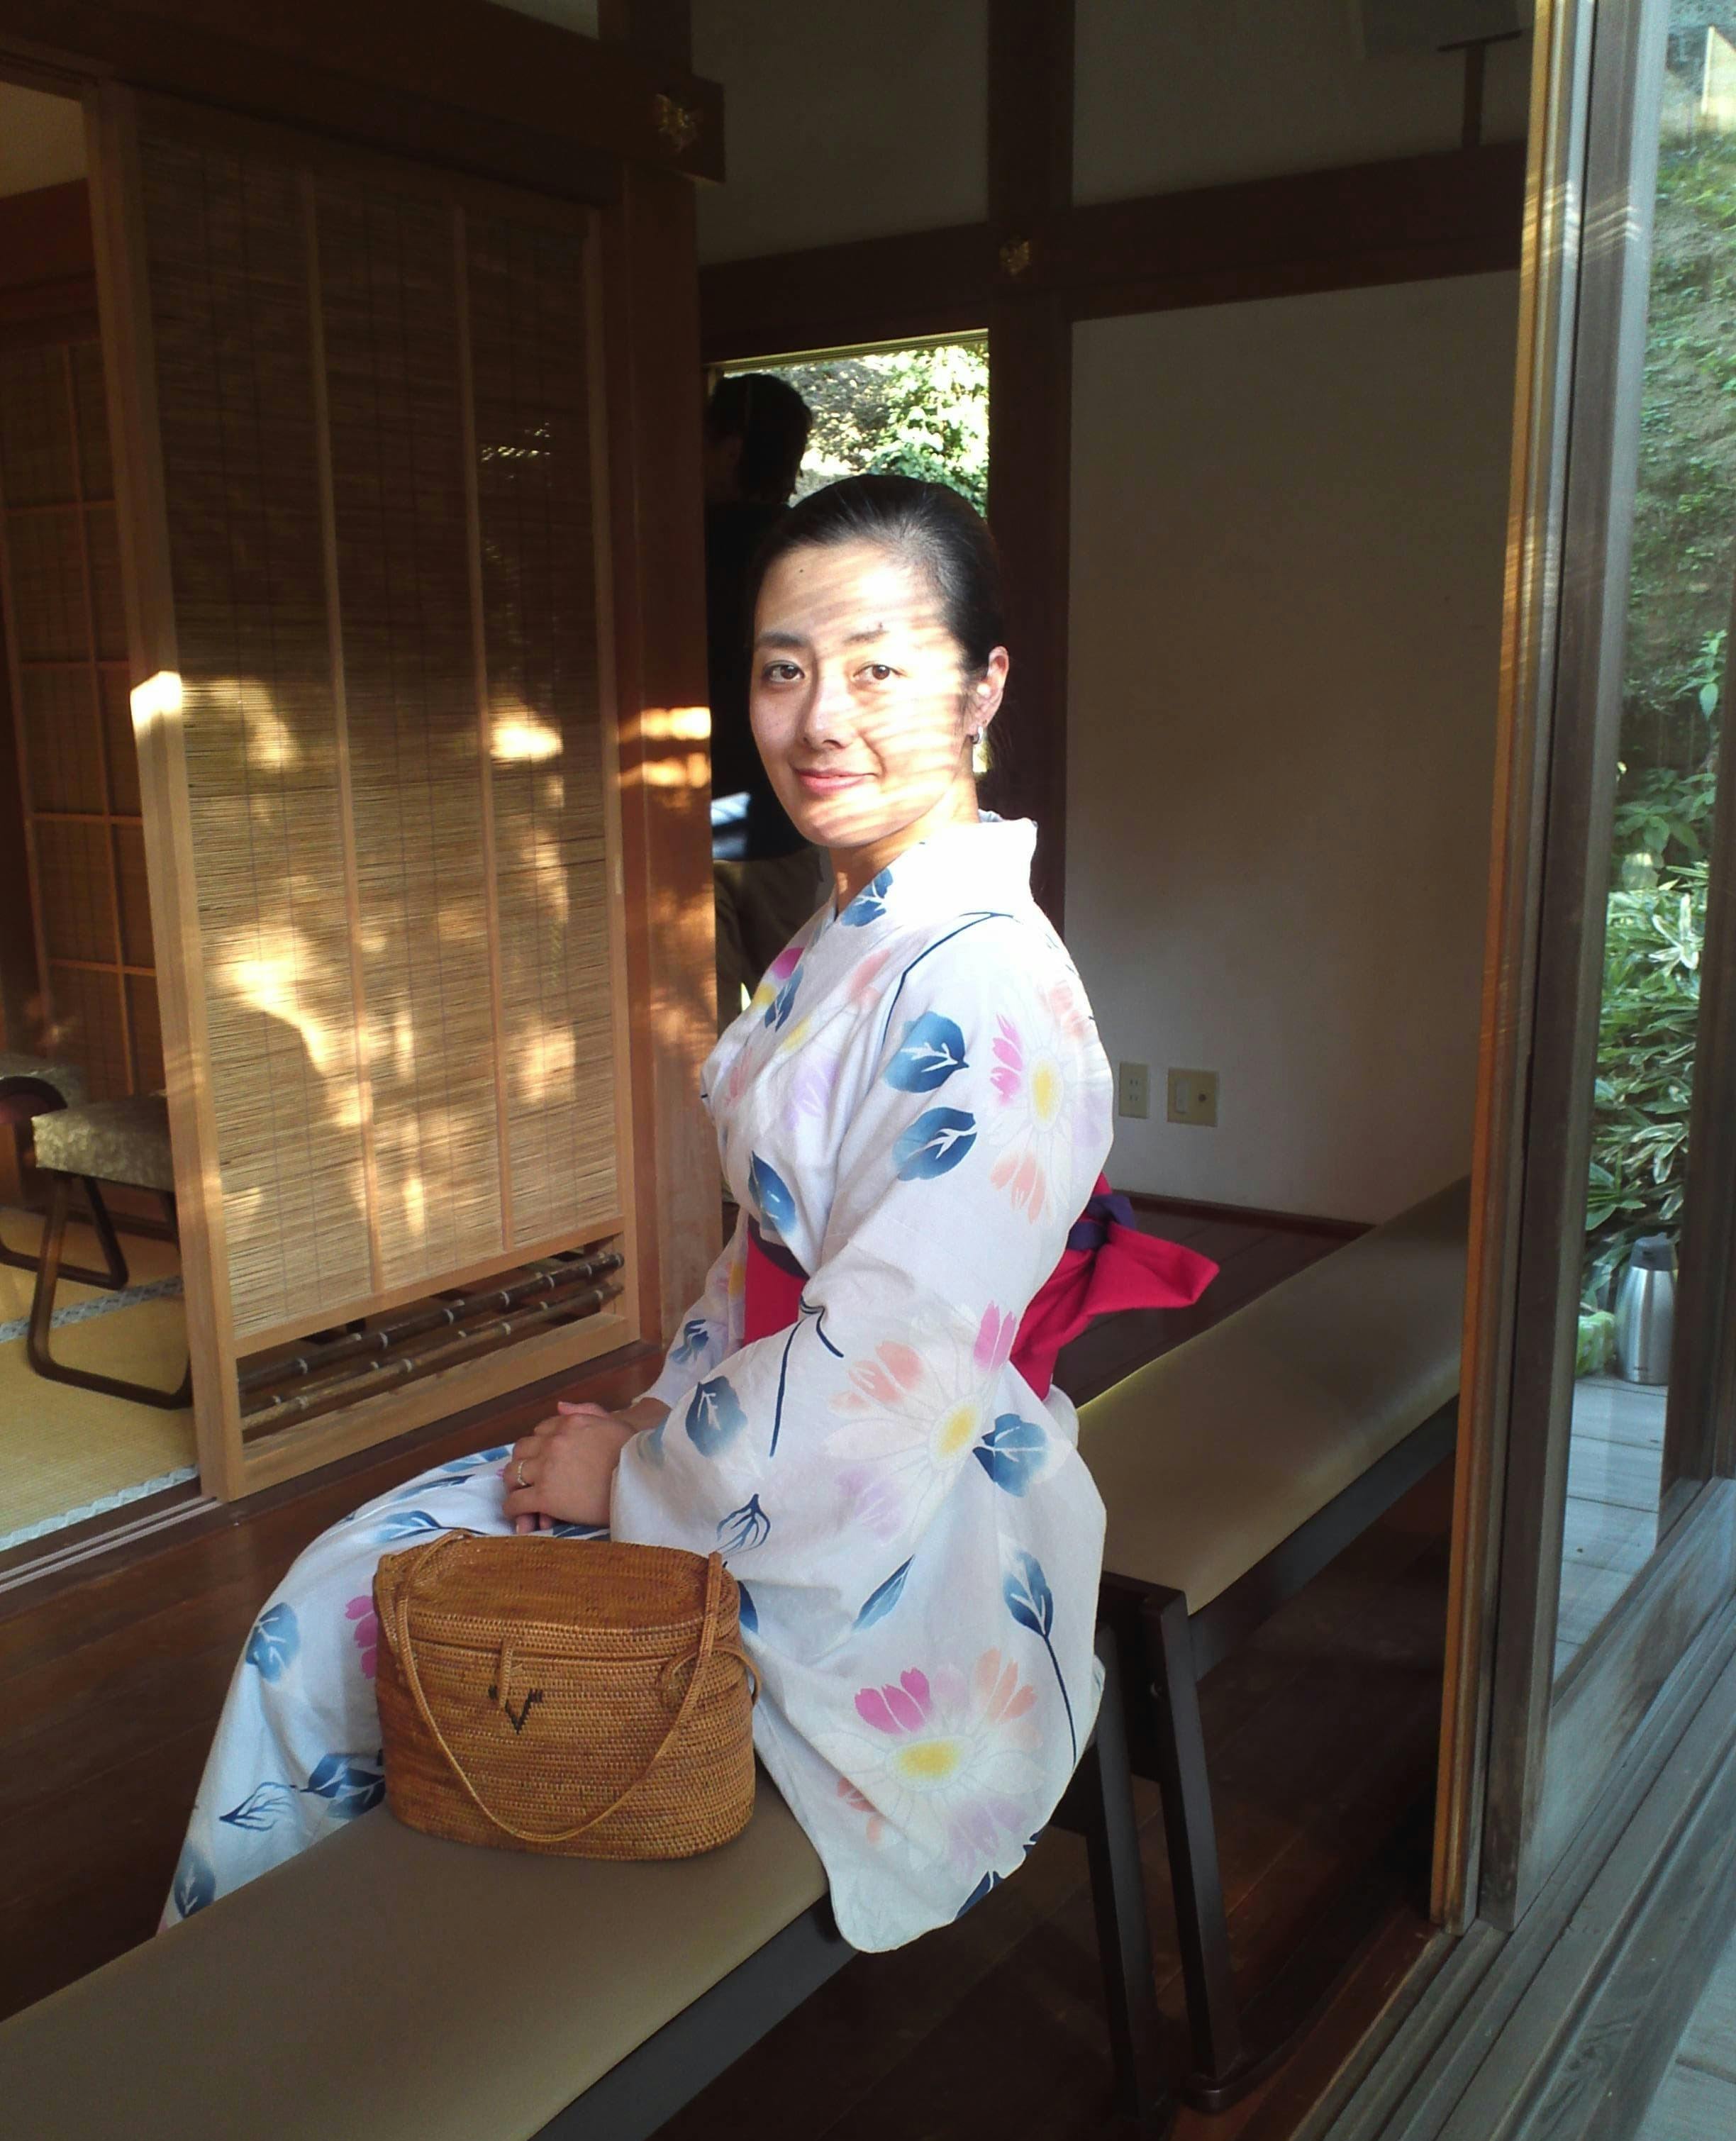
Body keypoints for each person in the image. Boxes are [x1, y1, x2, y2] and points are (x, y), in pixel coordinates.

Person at [163, 477, 1214, 1951]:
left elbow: (888, 1368)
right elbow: (774, 1272)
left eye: (878, 669)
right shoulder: (857, 929)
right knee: (354, 1595)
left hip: (886, 1526)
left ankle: (275, 2010)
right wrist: (655, 1417)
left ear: (983, 687)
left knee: (335, 1621)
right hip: (774, 1444)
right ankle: (312, 1985)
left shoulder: (981, 982)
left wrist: (639, 1476)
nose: (819, 719)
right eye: (784, 670)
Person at [703, 372, 827, 1033]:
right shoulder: (805, 552)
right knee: (799, 1028)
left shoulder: (665, 545)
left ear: (728, 449)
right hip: (783, 826)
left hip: (683, 835)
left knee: (697, 1039)